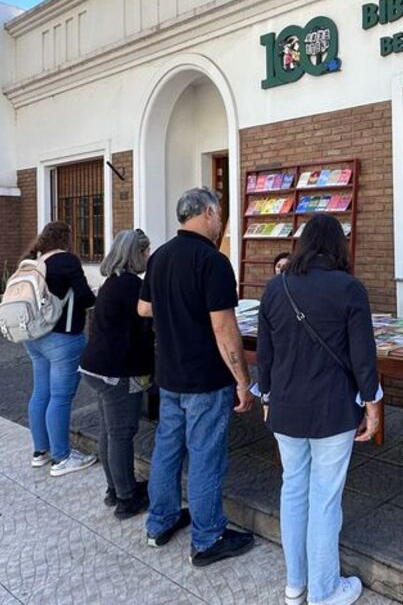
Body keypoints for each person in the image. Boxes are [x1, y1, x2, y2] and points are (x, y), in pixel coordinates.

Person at [257, 213, 381, 605]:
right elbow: (363, 357)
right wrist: (374, 404)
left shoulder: (275, 288)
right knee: (325, 498)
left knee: (293, 490)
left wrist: (266, 397)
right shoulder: (349, 289)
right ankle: (325, 589)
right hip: (333, 410)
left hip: (285, 408)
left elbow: (265, 355)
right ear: (338, 246)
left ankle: (295, 584)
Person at [138, 187, 256, 566]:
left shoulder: (159, 257)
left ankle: (161, 522)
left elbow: (144, 307)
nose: (220, 221)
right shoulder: (213, 261)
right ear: (207, 212)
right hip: (206, 378)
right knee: (206, 457)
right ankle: (207, 539)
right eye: (218, 214)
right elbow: (224, 329)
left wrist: (176, 314)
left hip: (169, 374)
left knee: (167, 451)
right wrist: (242, 379)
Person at [79, 229, 154, 520]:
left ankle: (115, 488)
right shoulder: (131, 286)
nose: (149, 257)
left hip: (95, 367)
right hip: (117, 372)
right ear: (138, 253)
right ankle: (126, 498)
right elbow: (149, 318)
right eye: (147, 252)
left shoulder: (113, 282)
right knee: (122, 433)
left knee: (109, 431)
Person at [21, 221, 97, 476]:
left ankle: (40, 452)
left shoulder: (33, 262)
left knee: (41, 392)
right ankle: (62, 458)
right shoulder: (67, 261)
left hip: (33, 337)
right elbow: (86, 298)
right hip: (62, 338)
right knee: (60, 397)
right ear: (66, 239)